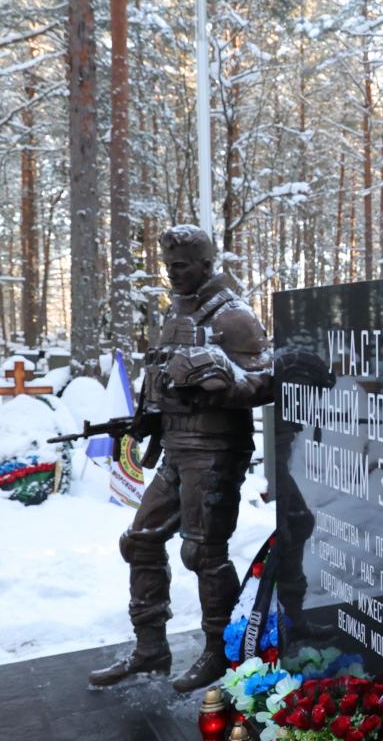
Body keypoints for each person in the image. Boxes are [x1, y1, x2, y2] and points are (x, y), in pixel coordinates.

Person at [90, 225, 272, 693]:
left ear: (206, 265)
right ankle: (151, 650)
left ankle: (224, 653)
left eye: (182, 265)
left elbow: (266, 381)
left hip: (214, 453)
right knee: (141, 541)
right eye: (168, 264)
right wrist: (149, 414)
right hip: (175, 449)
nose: (172, 273)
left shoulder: (234, 316)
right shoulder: (179, 312)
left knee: (203, 552)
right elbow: (164, 377)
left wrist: (220, 379)